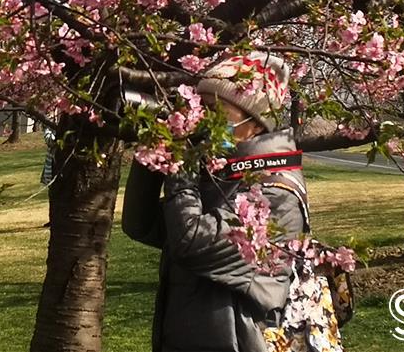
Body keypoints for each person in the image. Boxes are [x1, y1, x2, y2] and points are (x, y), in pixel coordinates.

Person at [122, 52, 309, 352]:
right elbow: (140, 225)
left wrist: (182, 165)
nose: (202, 120)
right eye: (200, 108)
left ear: (256, 123)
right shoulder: (223, 175)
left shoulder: (276, 193)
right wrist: (153, 154)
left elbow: (191, 241)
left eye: (214, 110)